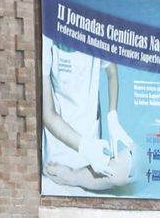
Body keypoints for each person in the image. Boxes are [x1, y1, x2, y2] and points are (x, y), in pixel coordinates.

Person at [41, 38, 135, 190]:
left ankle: (78, 174)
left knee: (122, 172)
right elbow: (48, 114)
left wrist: (112, 116)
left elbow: (111, 71)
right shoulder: (48, 39)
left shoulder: (94, 26)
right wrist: (85, 148)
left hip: (91, 153)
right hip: (58, 152)